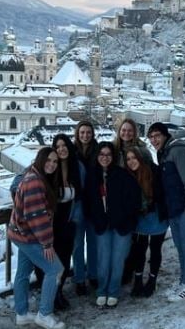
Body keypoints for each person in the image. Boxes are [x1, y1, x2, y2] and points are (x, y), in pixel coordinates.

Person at [7, 147, 66, 329]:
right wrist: (47, 244)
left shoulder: (32, 174)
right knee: (55, 270)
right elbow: (37, 217)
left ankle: (22, 314)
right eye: (48, 160)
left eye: (55, 162)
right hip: (29, 237)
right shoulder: (34, 182)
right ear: (40, 159)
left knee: (23, 273)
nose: (52, 164)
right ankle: (44, 314)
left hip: (20, 234)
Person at [147, 122, 185, 302]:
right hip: (174, 209)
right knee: (180, 247)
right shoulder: (164, 153)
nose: (154, 140)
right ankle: (183, 282)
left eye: (157, 136)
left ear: (165, 135)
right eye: (151, 137)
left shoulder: (178, 151)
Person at [85, 142, 142, 307]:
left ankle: (114, 290)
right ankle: (102, 290)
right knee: (103, 260)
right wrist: (95, 218)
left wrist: (128, 220)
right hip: (102, 225)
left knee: (118, 259)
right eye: (101, 154)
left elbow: (134, 200)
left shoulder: (122, 175)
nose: (105, 157)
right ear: (97, 156)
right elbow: (88, 202)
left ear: (114, 157)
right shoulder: (92, 176)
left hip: (121, 226)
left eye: (108, 154)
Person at [112, 118, 152, 284]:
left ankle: (133, 274)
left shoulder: (142, 150)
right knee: (123, 240)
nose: (126, 133)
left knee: (138, 242)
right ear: (119, 131)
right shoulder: (113, 150)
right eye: (123, 130)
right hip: (119, 202)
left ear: (135, 132)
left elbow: (150, 174)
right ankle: (123, 272)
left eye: (130, 130)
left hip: (139, 200)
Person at [125, 147, 168, 298]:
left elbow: (164, 194)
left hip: (156, 215)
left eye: (134, 158)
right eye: (128, 159)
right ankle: (137, 279)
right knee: (139, 250)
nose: (131, 162)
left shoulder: (156, 172)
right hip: (140, 217)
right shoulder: (129, 175)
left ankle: (152, 280)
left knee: (156, 249)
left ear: (142, 158)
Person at [51, 133, 82, 310]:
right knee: (51, 263)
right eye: (57, 146)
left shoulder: (74, 168)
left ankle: (59, 291)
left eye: (64, 145)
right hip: (51, 225)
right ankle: (51, 294)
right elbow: (20, 181)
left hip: (68, 224)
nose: (61, 149)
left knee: (64, 261)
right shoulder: (49, 166)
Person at [72, 121, 98, 295]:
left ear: (92, 134)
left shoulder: (99, 151)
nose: (85, 135)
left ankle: (93, 275)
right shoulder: (71, 152)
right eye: (82, 132)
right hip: (78, 203)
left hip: (95, 203)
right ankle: (79, 278)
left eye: (88, 132)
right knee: (77, 244)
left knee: (94, 243)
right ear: (77, 134)